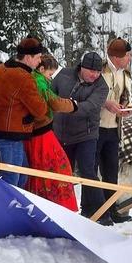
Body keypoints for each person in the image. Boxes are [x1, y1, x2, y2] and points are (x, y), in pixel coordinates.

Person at [52, 51, 111, 225]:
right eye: (92, 71)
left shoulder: (101, 86)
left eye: (98, 72)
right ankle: (62, 211)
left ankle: (102, 213)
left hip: (86, 135)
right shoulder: (63, 75)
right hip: (60, 134)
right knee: (62, 172)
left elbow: (91, 107)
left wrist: (69, 105)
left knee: (88, 172)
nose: (95, 75)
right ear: (82, 68)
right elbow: (50, 94)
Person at [0, 37, 49, 188]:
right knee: (12, 177)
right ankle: (5, 208)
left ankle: (14, 204)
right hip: (10, 134)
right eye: (38, 57)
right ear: (28, 57)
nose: (39, 62)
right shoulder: (25, 78)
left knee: (22, 171)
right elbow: (40, 110)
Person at [23, 54, 78, 211]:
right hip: (42, 134)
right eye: (50, 74)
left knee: (39, 167)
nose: (51, 78)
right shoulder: (39, 81)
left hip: (36, 133)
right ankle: (60, 205)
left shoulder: (33, 78)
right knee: (58, 166)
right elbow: (53, 101)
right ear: (41, 69)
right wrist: (72, 105)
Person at [96, 38, 132, 223]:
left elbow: (127, 97)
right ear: (117, 56)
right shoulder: (99, 69)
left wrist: (127, 109)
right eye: (128, 55)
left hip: (114, 128)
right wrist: (105, 103)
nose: (130, 58)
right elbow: (87, 94)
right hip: (95, 127)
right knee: (92, 171)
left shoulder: (126, 74)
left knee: (111, 172)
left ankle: (110, 209)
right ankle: (94, 209)